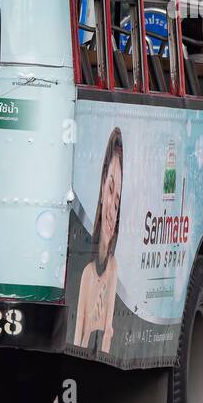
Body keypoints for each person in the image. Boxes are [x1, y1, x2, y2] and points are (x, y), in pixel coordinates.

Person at [73, 128, 123, 353]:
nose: (112, 207)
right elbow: (79, 332)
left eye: (118, 198)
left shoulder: (112, 267)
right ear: (102, 189)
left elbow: (109, 329)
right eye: (110, 190)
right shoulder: (86, 273)